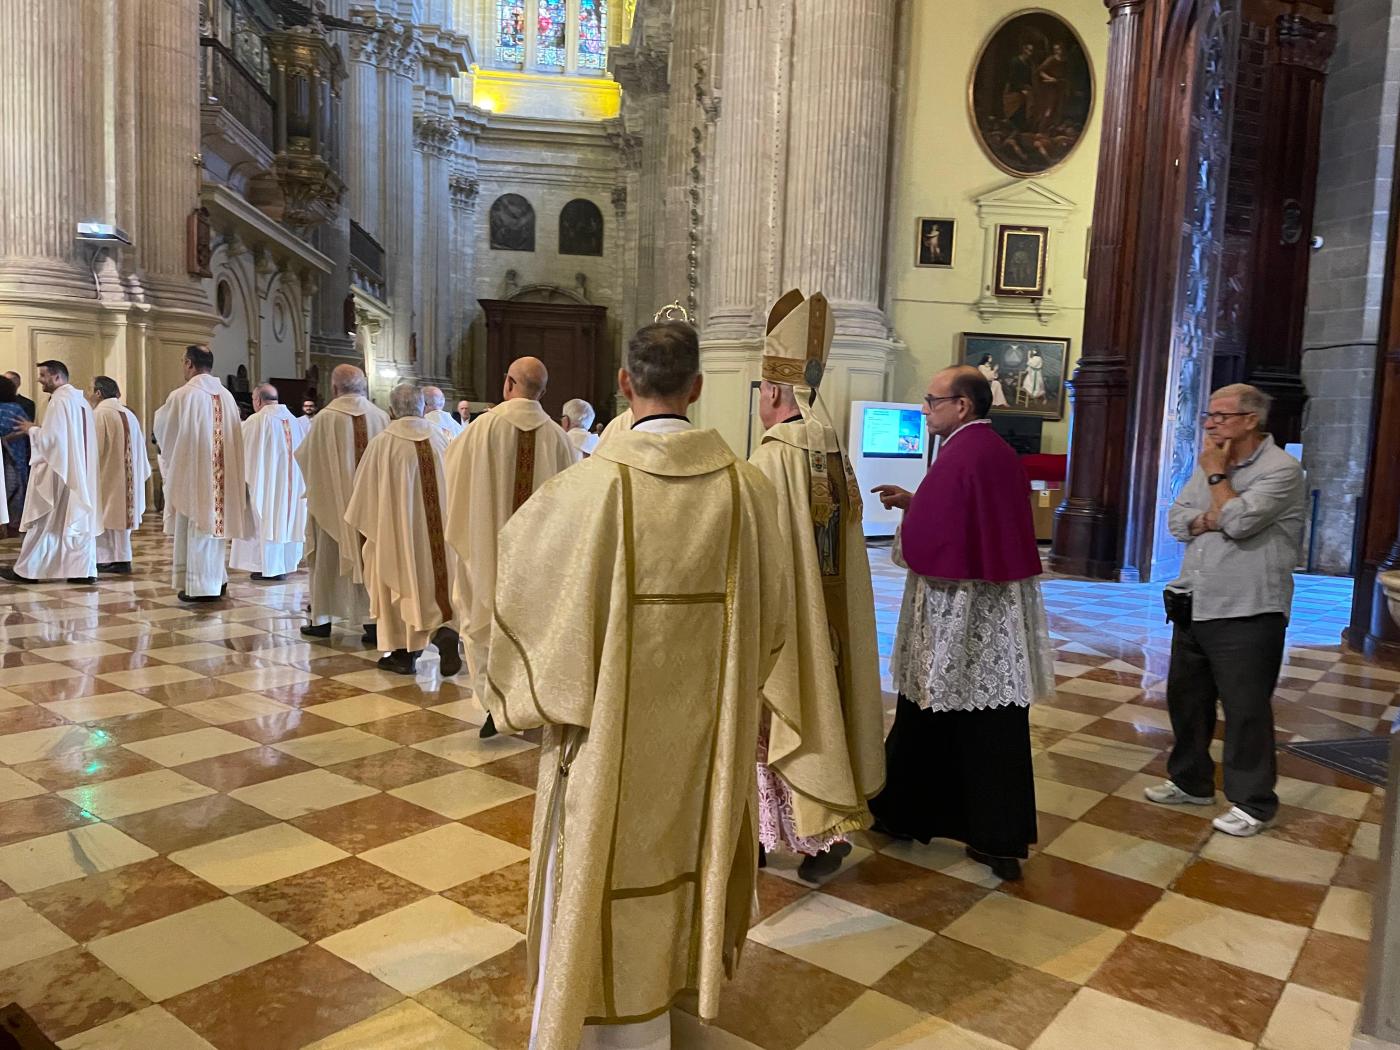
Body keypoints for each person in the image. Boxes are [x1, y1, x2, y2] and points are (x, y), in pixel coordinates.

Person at [484, 320, 787, 1050]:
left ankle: (594, 1029)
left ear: (624, 384)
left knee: (594, 864)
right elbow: (773, 621)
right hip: (704, 750)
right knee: (689, 860)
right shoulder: (747, 491)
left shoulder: (586, 490)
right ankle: (672, 1013)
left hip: (605, 744)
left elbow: (524, 606)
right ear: (699, 388)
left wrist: (523, 699)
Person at [869, 366, 1052, 881]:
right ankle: (987, 833)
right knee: (970, 716)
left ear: (963, 406)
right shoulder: (990, 451)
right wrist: (917, 501)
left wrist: (911, 517)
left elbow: (933, 542)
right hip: (990, 607)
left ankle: (913, 814)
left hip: (959, 611)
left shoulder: (964, 453)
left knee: (936, 705)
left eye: (932, 400)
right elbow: (965, 515)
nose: (925, 409)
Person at [749, 291, 885, 882]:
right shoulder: (831, 448)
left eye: (760, 390)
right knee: (823, 706)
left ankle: (762, 835)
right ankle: (819, 836)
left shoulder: (773, 458)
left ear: (775, 392)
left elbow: (755, 552)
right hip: (830, 619)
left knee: (774, 718)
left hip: (784, 621)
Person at [1149, 384, 1307, 837]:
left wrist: (1219, 483)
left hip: (1248, 608)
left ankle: (1254, 802)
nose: (1211, 424)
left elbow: (1238, 523)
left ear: (1251, 420)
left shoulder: (1282, 470)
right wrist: (1211, 513)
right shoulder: (1209, 465)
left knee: (1245, 709)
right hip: (1195, 601)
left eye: (1221, 416)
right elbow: (1178, 519)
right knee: (1187, 699)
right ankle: (1191, 781)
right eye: (1209, 416)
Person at [444, 356, 573, 735]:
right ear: (544, 391)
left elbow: (452, 477)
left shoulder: (480, 429)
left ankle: (493, 707)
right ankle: (527, 702)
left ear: (507, 384)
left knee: (483, 621)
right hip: (539, 562)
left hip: (486, 550)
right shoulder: (558, 439)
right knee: (532, 628)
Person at [345, 383, 457, 676]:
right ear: (423, 407)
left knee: (399, 576)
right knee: (435, 583)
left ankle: (404, 654)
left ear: (391, 410)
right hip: (439, 538)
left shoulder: (384, 443)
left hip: (398, 534)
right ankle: (442, 632)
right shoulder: (442, 438)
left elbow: (364, 498)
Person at [153, 345, 255, 602]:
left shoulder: (183, 395)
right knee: (213, 530)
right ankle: (216, 579)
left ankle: (200, 587)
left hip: (195, 473)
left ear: (189, 363)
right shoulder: (227, 396)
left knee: (198, 527)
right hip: (222, 476)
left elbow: (166, 433)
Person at [296, 365, 388, 643]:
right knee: (370, 558)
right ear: (364, 386)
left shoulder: (325, 419)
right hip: (372, 508)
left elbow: (306, 457)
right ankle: (373, 623)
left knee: (327, 559)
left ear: (335, 389)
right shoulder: (380, 416)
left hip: (333, 506)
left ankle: (322, 620)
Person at [1, 360, 99, 584]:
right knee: (75, 522)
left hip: (59, 471)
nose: (39, 380)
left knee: (44, 521)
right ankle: (83, 570)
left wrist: (32, 429)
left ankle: (27, 571)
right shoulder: (80, 401)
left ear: (57, 377)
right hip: (78, 470)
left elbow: (53, 440)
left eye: (43, 375)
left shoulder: (59, 401)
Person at [230, 384, 306, 582]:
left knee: (264, 521)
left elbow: (240, 450)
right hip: (291, 486)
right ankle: (283, 564)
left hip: (265, 483)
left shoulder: (257, 420)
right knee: (285, 521)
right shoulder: (294, 420)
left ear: (257, 401)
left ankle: (269, 567)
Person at [90, 376, 151, 574]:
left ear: (98, 393)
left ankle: (108, 559)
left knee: (106, 516)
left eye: (91, 390)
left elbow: (94, 449)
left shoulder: (100, 414)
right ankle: (121, 558)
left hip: (108, 475)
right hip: (127, 476)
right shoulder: (128, 414)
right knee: (118, 517)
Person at [0, 374, 30, 531]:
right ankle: (12, 525)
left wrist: (4, 439)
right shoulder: (16, 409)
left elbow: (25, 429)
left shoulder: (15, 408)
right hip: (13, 457)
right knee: (13, 490)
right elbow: (26, 428)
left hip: (9, 456)